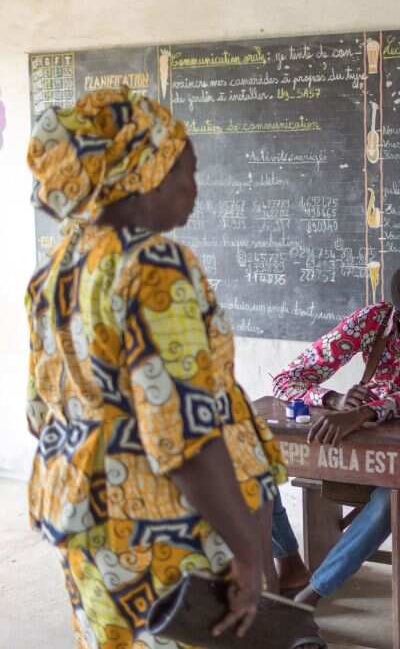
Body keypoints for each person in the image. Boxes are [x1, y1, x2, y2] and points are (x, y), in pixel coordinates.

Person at [24, 89, 287, 646]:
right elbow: (182, 436)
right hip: (167, 532)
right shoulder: (151, 265)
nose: (193, 187)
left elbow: (38, 411)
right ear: (142, 170)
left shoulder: (56, 272)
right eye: (184, 170)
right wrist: (246, 552)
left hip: (86, 524)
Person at [271, 261, 400, 605]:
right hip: (365, 434)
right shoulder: (370, 321)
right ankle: (290, 563)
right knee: (250, 464)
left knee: (391, 500)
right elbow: (286, 379)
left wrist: (366, 411)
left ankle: (313, 593)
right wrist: (335, 399)